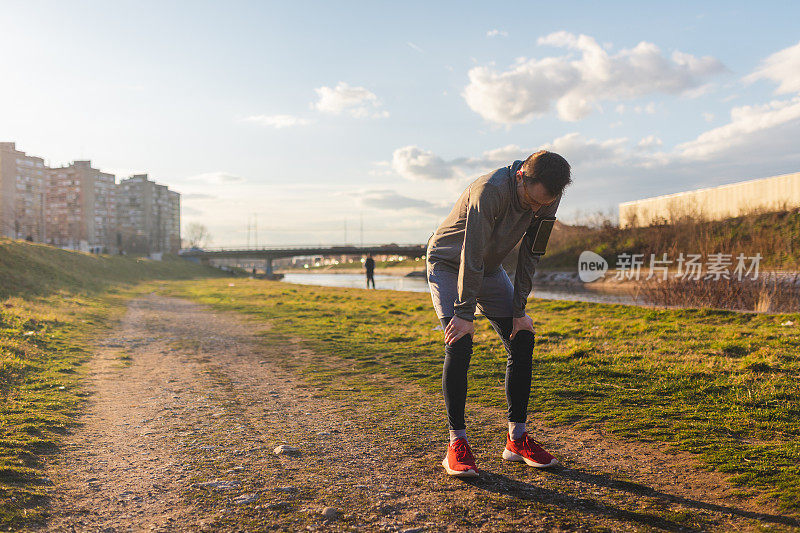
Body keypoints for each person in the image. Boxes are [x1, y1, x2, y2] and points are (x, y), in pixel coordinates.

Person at [426, 150, 572, 477]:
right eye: (530, 201)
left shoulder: (548, 197)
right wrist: (464, 313)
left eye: (540, 205)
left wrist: (519, 310)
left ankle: (516, 440)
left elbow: (532, 254)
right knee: (459, 341)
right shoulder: (488, 191)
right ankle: (456, 444)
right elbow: (471, 253)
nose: (533, 210)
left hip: (489, 270)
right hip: (450, 264)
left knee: (522, 338)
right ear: (521, 176)